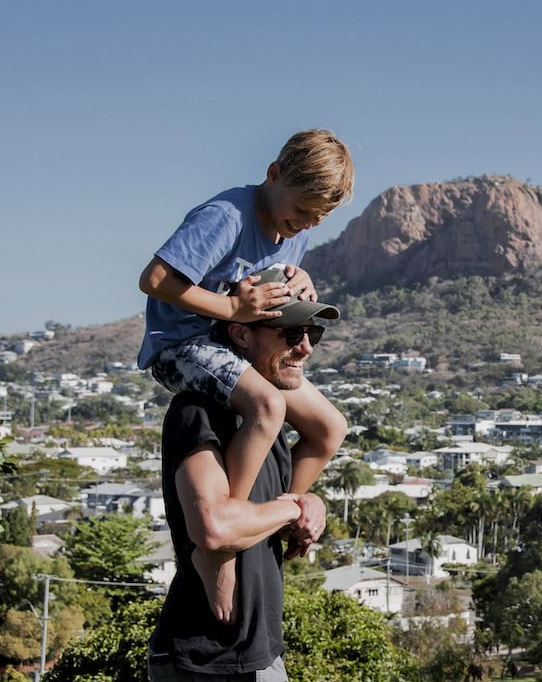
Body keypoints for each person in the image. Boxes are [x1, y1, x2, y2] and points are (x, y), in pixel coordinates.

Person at [137, 129, 352, 622]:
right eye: (300, 212)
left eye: (317, 220)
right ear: (273, 176)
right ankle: (222, 549)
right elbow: (153, 279)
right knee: (268, 405)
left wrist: (300, 283)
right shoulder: (228, 214)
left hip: (236, 347)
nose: (302, 227)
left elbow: (270, 288)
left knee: (329, 428)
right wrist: (231, 305)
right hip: (183, 344)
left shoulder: (290, 228)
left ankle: (283, 509)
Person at [148, 300, 332, 681]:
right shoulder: (197, 411)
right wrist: (294, 509)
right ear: (241, 334)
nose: (306, 347)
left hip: (260, 650)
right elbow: (214, 527)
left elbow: (263, 513)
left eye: (312, 333)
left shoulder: (269, 424)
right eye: (292, 334)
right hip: (204, 658)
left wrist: (308, 503)